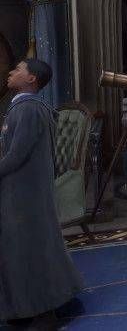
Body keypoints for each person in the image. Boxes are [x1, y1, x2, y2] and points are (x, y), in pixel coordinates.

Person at [0, 59, 83, 329]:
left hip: (24, 195)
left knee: (28, 253)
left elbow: (16, 155)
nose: (11, 72)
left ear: (31, 78)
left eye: (18, 69)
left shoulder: (28, 109)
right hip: (22, 192)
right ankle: (23, 309)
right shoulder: (25, 107)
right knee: (20, 252)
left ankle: (43, 313)